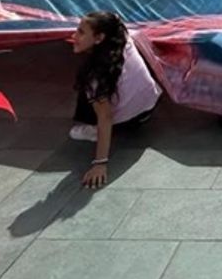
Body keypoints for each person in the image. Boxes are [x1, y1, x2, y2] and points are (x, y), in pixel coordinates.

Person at [69, 12, 161, 188]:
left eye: (81, 32)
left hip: (128, 122)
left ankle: (92, 131)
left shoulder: (95, 75)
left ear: (99, 38)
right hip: (148, 109)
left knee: (87, 89)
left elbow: (106, 117)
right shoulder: (122, 38)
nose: (74, 36)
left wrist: (100, 163)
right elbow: (116, 18)